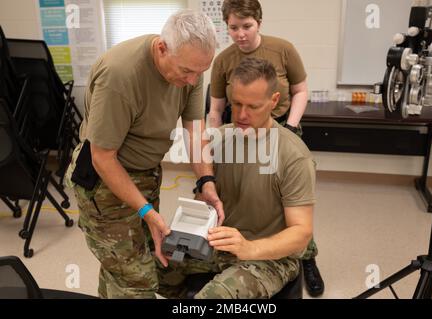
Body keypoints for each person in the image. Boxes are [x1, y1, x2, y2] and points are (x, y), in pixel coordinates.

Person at [65, 10, 224, 299]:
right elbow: (103, 158)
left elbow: (195, 131)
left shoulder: (192, 65)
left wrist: (206, 182)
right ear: (162, 48)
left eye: (200, 72)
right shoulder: (120, 75)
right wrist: (146, 211)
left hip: (146, 172)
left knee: (135, 259)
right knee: (134, 281)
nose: (192, 81)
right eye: (187, 71)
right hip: (103, 181)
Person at [157, 57, 315, 299]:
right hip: (217, 245)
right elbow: (204, 200)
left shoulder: (293, 155)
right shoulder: (217, 141)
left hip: (269, 256)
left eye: (252, 106)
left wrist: (249, 248)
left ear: (273, 101)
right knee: (144, 270)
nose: (241, 114)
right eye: (237, 103)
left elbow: (301, 232)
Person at [208, 0, 324, 297]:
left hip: (282, 127)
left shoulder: (282, 49)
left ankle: (305, 259)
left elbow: (300, 91)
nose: (240, 33)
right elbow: (216, 108)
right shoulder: (223, 61)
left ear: (258, 23)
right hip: (243, 137)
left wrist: (291, 128)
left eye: (246, 26)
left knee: (293, 209)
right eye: (234, 28)